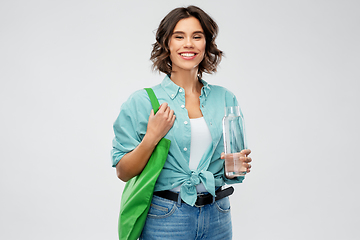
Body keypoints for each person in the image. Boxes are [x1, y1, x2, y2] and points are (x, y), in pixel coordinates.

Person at [111, 5, 252, 240]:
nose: (189, 44)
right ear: (167, 43)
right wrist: (152, 137)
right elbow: (123, 172)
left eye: (197, 36)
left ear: (206, 43)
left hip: (217, 213)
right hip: (166, 217)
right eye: (179, 36)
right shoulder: (143, 102)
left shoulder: (225, 98)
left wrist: (236, 164)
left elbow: (232, 168)